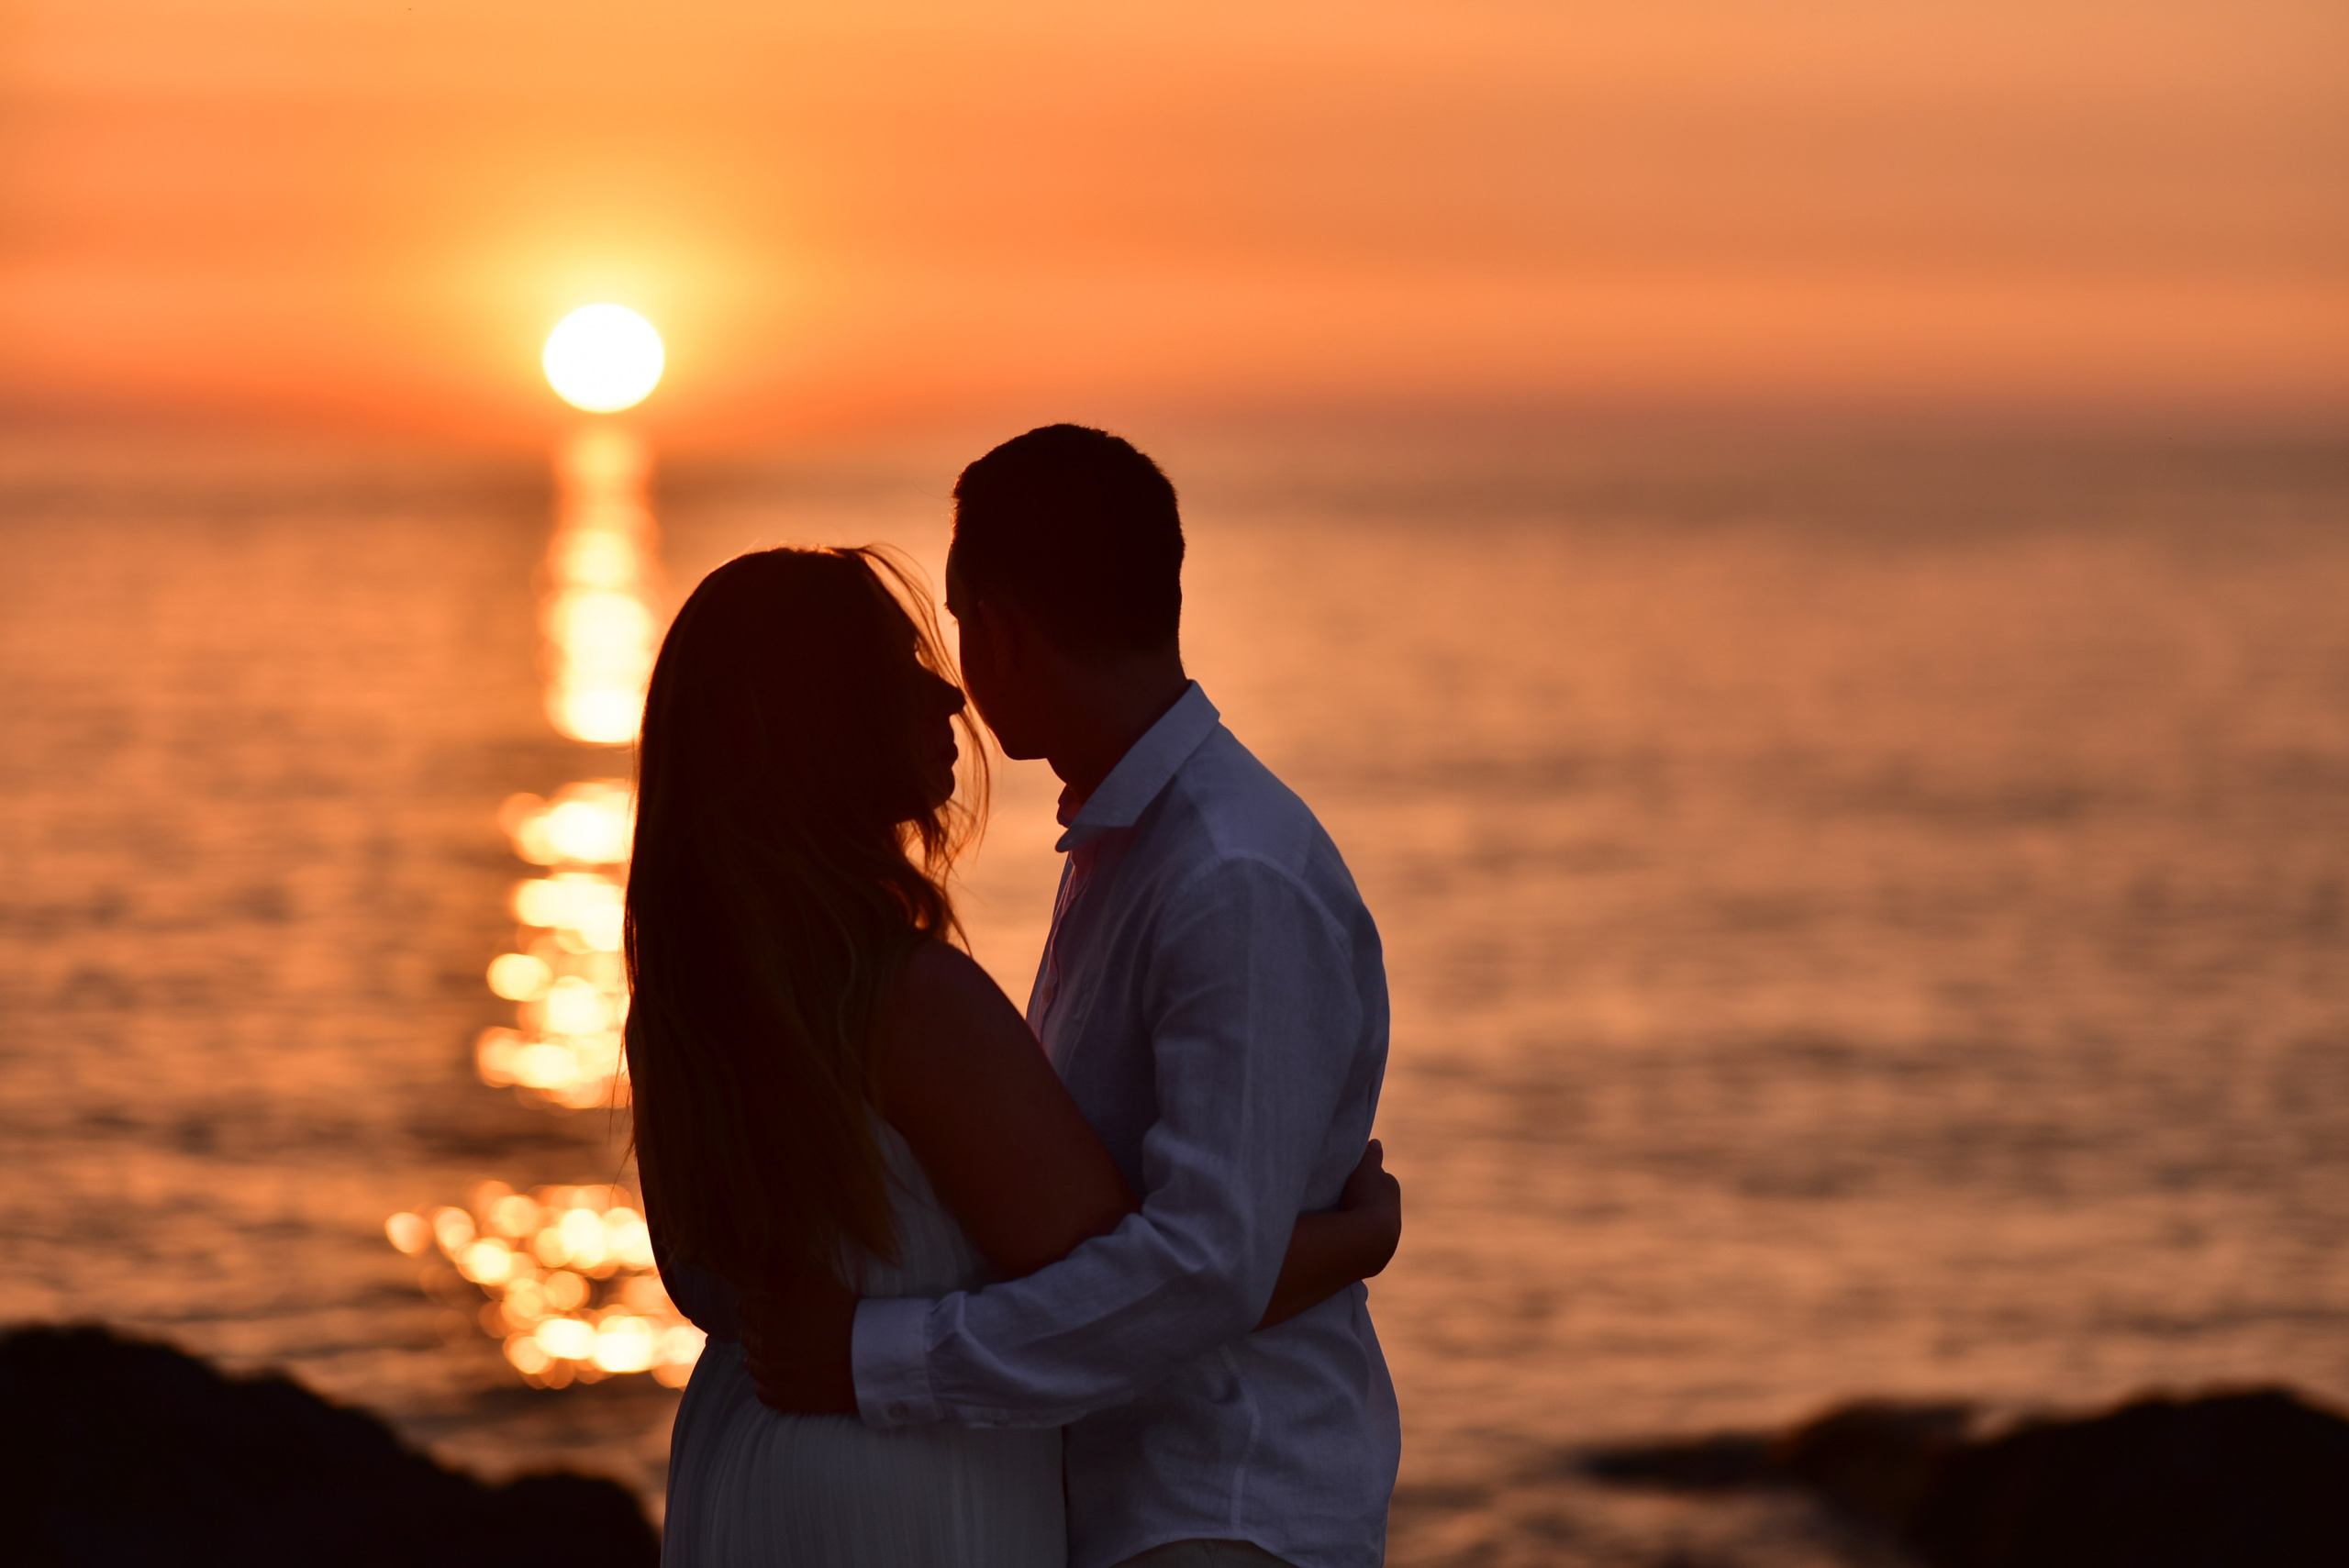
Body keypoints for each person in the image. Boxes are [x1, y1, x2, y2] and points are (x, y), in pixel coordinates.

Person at [626, 537, 1400, 1566]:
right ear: (824, 722)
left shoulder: (685, 1007)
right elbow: (1140, 1277)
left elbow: (704, 1291)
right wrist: (1356, 1239)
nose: (948, 692)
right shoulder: (910, 1002)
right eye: (899, 666)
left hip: (743, 1474)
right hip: (894, 1492)